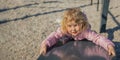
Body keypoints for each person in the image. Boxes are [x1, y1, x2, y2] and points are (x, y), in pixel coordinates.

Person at [39, 8, 116, 56]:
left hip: (83, 38)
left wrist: (109, 45)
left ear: (81, 24)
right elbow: (54, 36)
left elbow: (98, 38)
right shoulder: (64, 29)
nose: (73, 29)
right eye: (69, 26)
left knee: (92, 33)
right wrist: (45, 44)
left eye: (75, 25)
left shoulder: (85, 31)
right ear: (66, 25)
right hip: (68, 41)